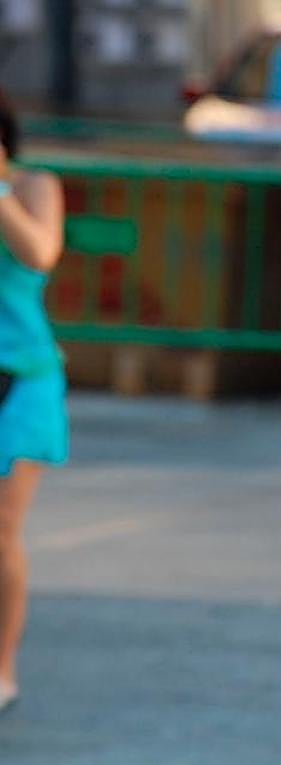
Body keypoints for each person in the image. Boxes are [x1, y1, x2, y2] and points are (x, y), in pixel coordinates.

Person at [0, 88, 67, 715]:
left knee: (1, 532)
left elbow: (39, 253)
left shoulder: (32, 188)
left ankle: (2, 668)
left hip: (17, 378)